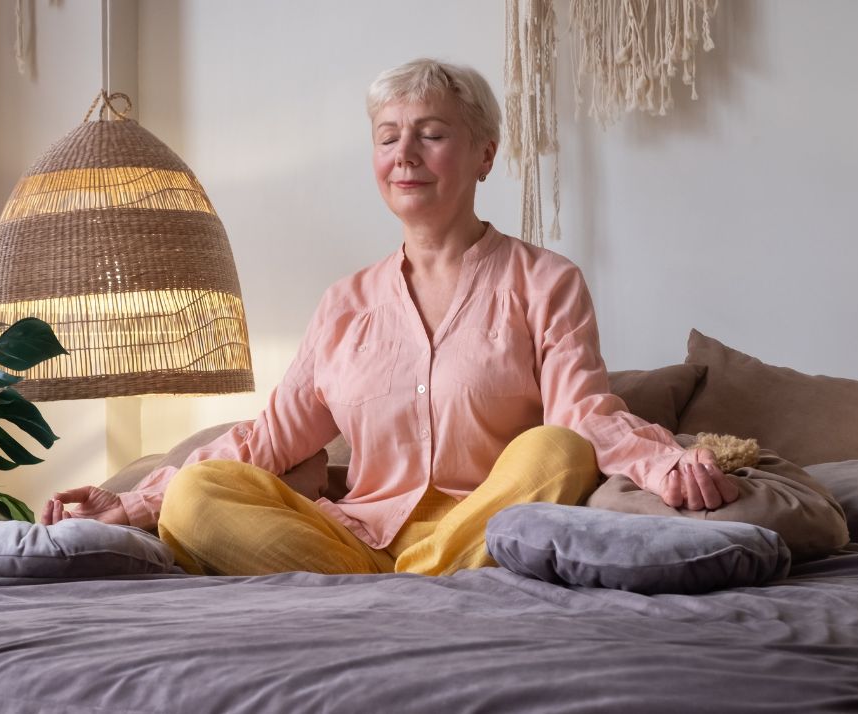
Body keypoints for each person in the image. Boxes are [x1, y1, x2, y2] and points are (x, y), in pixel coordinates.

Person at [41, 58, 738, 576]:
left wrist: (661, 461)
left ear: (485, 154)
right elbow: (266, 440)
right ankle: (416, 584)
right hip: (355, 541)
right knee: (197, 493)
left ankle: (413, 582)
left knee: (556, 451)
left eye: (430, 134)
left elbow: (583, 414)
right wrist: (134, 503)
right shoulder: (345, 304)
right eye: (387, 137)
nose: (403, 154)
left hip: (485, 525)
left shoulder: (545, 281)